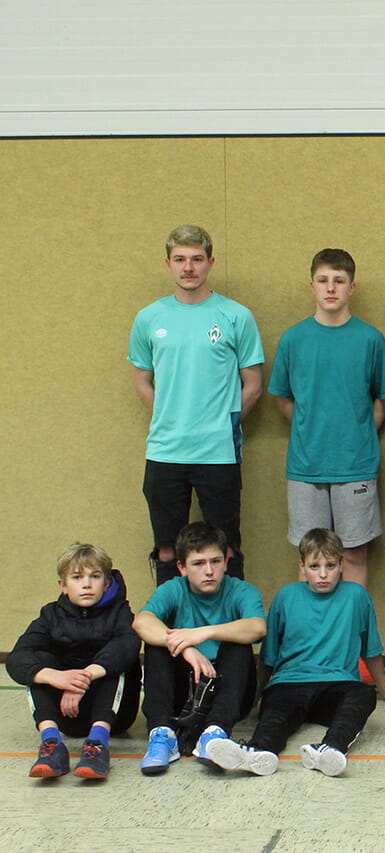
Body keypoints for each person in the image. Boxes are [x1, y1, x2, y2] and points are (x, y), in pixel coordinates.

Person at [207, 528, 385, 777]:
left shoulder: (357, 596)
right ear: (302, 566)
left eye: (330, 565)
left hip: (337, 687)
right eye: (315, 566)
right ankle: (257, 751)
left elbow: (371, 650)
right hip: (289, 684)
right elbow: (269, 657)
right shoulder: (286, 597)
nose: (323, 574)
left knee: (363, 695)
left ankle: (330, 749)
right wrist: (255, 698)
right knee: (275, 717)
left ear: (341, 565)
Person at [128, 224, 264, 584]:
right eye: (180, 259)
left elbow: (252, 384)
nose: (189, 267)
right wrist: (169, 417)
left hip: (217, 451)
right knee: (167, 549)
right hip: (165, 451)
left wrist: (225, 423)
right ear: (168, 264)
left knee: (225, 547)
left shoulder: (236, 316)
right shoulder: (149, 318)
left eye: (197, 259)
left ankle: (233, 634)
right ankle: (170, 635)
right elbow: (142, 380)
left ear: (210, 262)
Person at [269, 248, 385, 587]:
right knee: (311, 556)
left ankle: (352, 636)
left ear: (352, 287)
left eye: (339, 281)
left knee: (353, 554)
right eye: (323, 280)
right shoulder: (294, 339)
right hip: (306, 465)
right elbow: (282, 397)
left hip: (356, 464)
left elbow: (383, 398)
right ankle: (312, 636)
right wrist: (311, 429)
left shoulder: (370, 339)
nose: (331, 288)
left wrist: (359, 432)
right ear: (311, 286)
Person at [132, 522, 266, 774]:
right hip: (186, 688)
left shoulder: (241, 590)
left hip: (229, 690)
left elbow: (257, 627)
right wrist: (185, 648)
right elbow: (142, 622)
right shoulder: (173, 588)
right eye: (198, 563)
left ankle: (215, 735)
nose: (209, 571)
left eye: (216, 561)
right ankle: (162, 734)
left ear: (226, 562)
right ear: (182, 567)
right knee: (157, 645)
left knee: (238, 645)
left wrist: (203, 633)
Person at [7, 543, 141, 780]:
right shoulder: (50, 615)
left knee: (118, 660)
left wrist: (85, 677)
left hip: (113, 714)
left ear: (107, 583)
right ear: (63, 586)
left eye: (95, 576)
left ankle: (98, 745)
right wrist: (56, 677)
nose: (87, 584)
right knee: (38, 662)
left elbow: (128, 645)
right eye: (77, 577)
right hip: (66, 715)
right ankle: (51, 744)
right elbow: (18, 657)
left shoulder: (120, 612)